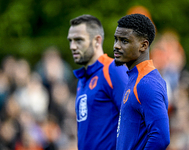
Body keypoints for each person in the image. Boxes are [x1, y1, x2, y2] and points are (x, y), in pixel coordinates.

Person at [67, 14, 128, 150]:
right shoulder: (82, 80)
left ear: (97, 40)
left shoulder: (113, 69)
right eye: (70, 40)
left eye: (78, 40)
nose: (72, 46)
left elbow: (136, 117)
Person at [113, 13, 170, 149]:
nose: (116, 46)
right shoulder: (135, 78)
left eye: (124, 41)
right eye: (116, 39)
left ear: (143, 45)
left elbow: (161, 137)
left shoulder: (147, 84)